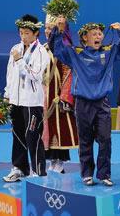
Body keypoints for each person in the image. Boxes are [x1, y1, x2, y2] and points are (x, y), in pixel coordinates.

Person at [49, 21, 120, 186]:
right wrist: (57, 30)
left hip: (102, 103)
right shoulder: (75, 54)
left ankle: (104, 175)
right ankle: (87, 174)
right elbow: (56, 49)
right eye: (94, 34)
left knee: (105, 139)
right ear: (84, 38)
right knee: (85, 140)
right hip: (82, 103)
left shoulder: (110, 52)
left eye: (100, 33)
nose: (98, 36)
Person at [3, 14, 50, 182]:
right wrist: (7, 95)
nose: (23, 36)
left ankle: (38, 172)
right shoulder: (15, 48)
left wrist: (21, 60)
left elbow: (35, 76)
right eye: (21, 33)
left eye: (27, 33)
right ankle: (19, 168)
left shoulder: (41, 52)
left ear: (36, 33)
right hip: (16, 101)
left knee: (32, 135)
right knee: (17, 135)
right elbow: (10, 74)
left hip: (32, 102)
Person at [42, 15, 79, 174]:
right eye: (46, 28)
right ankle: (50, 161)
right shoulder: (41, 49)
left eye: (51, 28)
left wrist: (65, 97)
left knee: (60, 127)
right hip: (43, 96)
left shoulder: (64, 48)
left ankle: (59, 162)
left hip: (57, 97)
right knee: (45, 129)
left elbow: (68, 72)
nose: (47, 31)